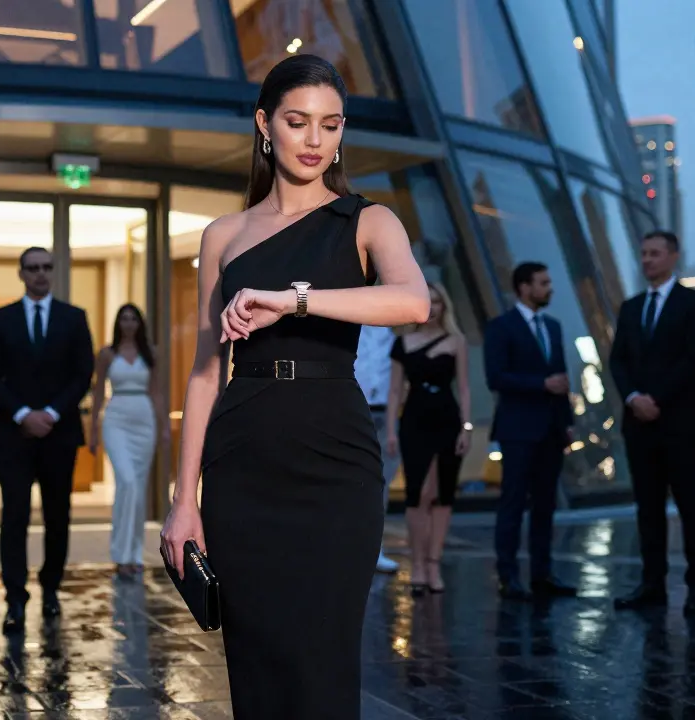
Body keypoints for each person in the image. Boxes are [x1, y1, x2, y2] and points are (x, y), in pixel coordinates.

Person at [159, 54, 430, 719]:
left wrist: (294, 300)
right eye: (297, 122)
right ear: (264, 124)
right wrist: (182, 500)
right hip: (242, 461)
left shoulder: (367, 222)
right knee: (257, 662)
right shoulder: (221, 236)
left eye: (331, 125)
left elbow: (413, 302)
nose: (315, 141)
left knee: (324, 659)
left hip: (335, 459)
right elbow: (202, 372)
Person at [0, 246, 94, 634]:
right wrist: (23, 414)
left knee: (57, 515)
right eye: (33, 268)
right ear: (21, 273)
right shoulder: (0, 319)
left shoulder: (74, 318)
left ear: (53, 271)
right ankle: (15, 598)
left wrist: (51, 413)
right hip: (14, 434)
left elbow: (83, 375)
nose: (40, 274)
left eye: (47, 266)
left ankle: (50, 589)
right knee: (14, 516)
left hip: (59, 433)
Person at [609, 231, 695, 615]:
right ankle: (651, 584)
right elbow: (617, 360)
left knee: (690, 504)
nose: (647, 260)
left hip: (680, 422)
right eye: (643, 253)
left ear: (673, 256)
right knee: (648, 507)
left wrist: (657, 398)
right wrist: (635, 398)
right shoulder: (631, 307)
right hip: (639, 424)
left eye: (654, 253)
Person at [484, 262, 577, 601]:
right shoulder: (500, 327)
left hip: (551, 430)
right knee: (512, 503)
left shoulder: (552, 327)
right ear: (524, 287)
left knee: (545, 505)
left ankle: (543, 574)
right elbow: (496, 377)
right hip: (518, 429)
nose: (549, 288)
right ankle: (508, 576)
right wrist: (541, 384)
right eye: (543, 282)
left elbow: (562, 377)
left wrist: (567, 424)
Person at [387, 282, 471, 595]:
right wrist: (391, 431)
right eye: (429, 301)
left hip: (447, 420)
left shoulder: (457, 341)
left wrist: (467, 427)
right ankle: (418, 563)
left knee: (442, 493)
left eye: (438, 302)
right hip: (414, 421)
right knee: (417, 493)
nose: (434, 307)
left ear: (445, 306)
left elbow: (463, 388)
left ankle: (434, 563)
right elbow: (395, 390)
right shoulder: (402, 342)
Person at [89, 304, 167, 580]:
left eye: (134, 318)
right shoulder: (107, 354)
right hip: (116, 419)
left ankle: (134, 554)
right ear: (118, 322)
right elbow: (98, 393)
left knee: (138, 487)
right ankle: (120, 553)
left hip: (143, 419)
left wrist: (164, 426)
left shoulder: (151, 353)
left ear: (140, 323)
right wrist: (93, 431)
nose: (129, 323)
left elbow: (156, 392)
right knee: (127, 483)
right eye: (124, 318)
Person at [354, 323, 400, 574]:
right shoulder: (349, 326)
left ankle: (376, 550)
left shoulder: (395, 332)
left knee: (379, 485)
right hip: (353, 409)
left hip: (386, 413)